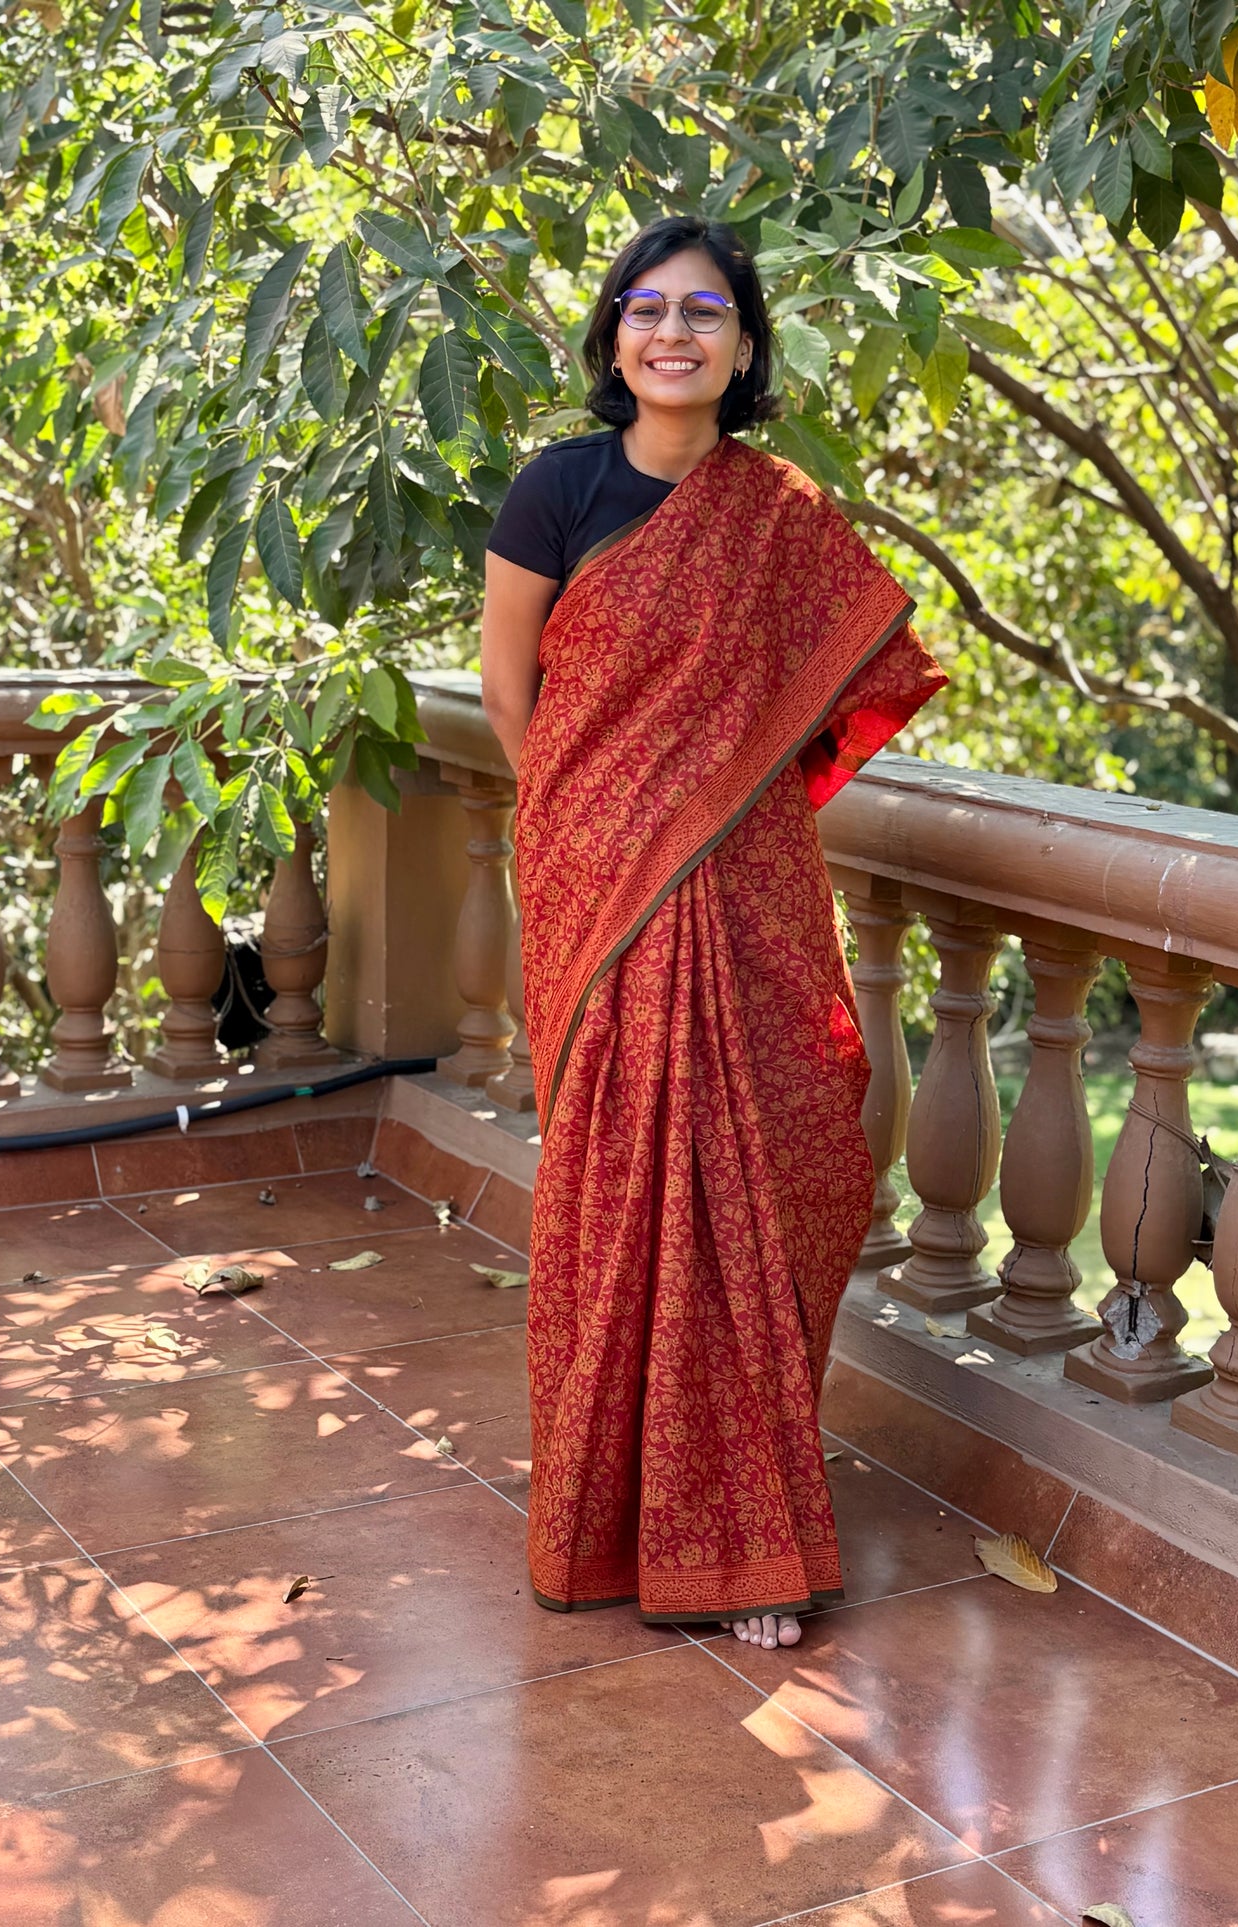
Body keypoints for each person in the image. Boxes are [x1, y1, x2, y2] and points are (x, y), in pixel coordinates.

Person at [480, 214, 945, 1652]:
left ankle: (743, 1509)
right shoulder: (554, 490)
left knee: (785, 1157)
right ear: (612, 336)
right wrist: (606, 829)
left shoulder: (783, 513)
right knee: (623, 1189)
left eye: (703, 312)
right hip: (601, 887)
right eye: (643, 307)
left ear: (744, 349)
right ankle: (618, 1517)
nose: (670, 332)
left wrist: (705, 812)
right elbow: (512, 696)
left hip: (747, 892)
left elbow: (835, 701)